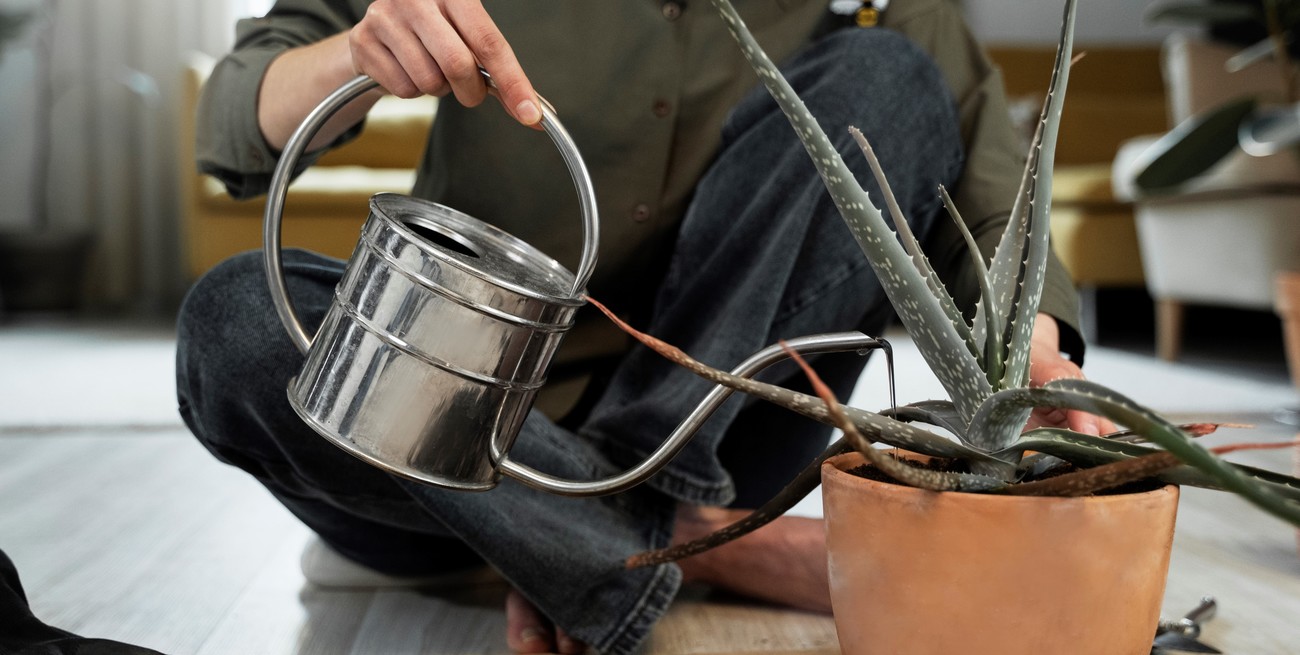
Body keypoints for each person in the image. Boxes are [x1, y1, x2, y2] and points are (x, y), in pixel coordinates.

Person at [176, 1, 1110, 653]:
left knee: (892, 78)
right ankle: (711, 542)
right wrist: (353, 54)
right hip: (432, 460)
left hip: (725, 431)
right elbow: (231, 126)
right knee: (237, 323)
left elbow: (995, 212)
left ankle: (575, 543)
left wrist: (1030, 348)